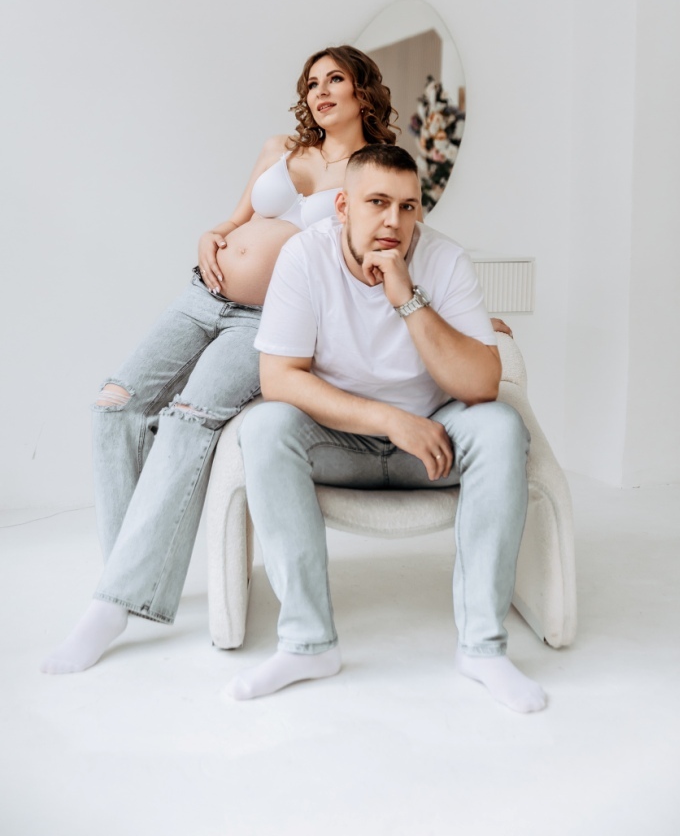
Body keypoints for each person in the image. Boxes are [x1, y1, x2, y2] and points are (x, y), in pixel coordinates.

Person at [40, 45, 400, 674]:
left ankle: (112, 606)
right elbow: (235, 220)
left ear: (363, 90)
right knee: (115, 405)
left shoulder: (374, 175)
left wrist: (458, 312)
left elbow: (397, 248)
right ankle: (129, 576)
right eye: (312, 82)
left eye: (335, 79)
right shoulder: (279, 149)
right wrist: (213, 234)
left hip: (268, 323)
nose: (320, 91)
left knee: (188, 418)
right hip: (202, 295)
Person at [227, 144, 546, 713]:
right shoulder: (305, 256)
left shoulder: (444, 260)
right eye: (377, 202)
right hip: (340, 444)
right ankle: (306, 644)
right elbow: (279, 379)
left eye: (407, 206)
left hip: (434, 446)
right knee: (264, 426)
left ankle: (483, 649)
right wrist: (390, 420)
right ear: (343, 206)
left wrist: (407, 297)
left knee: (501, 426)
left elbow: (481, 385)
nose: (394, 221)